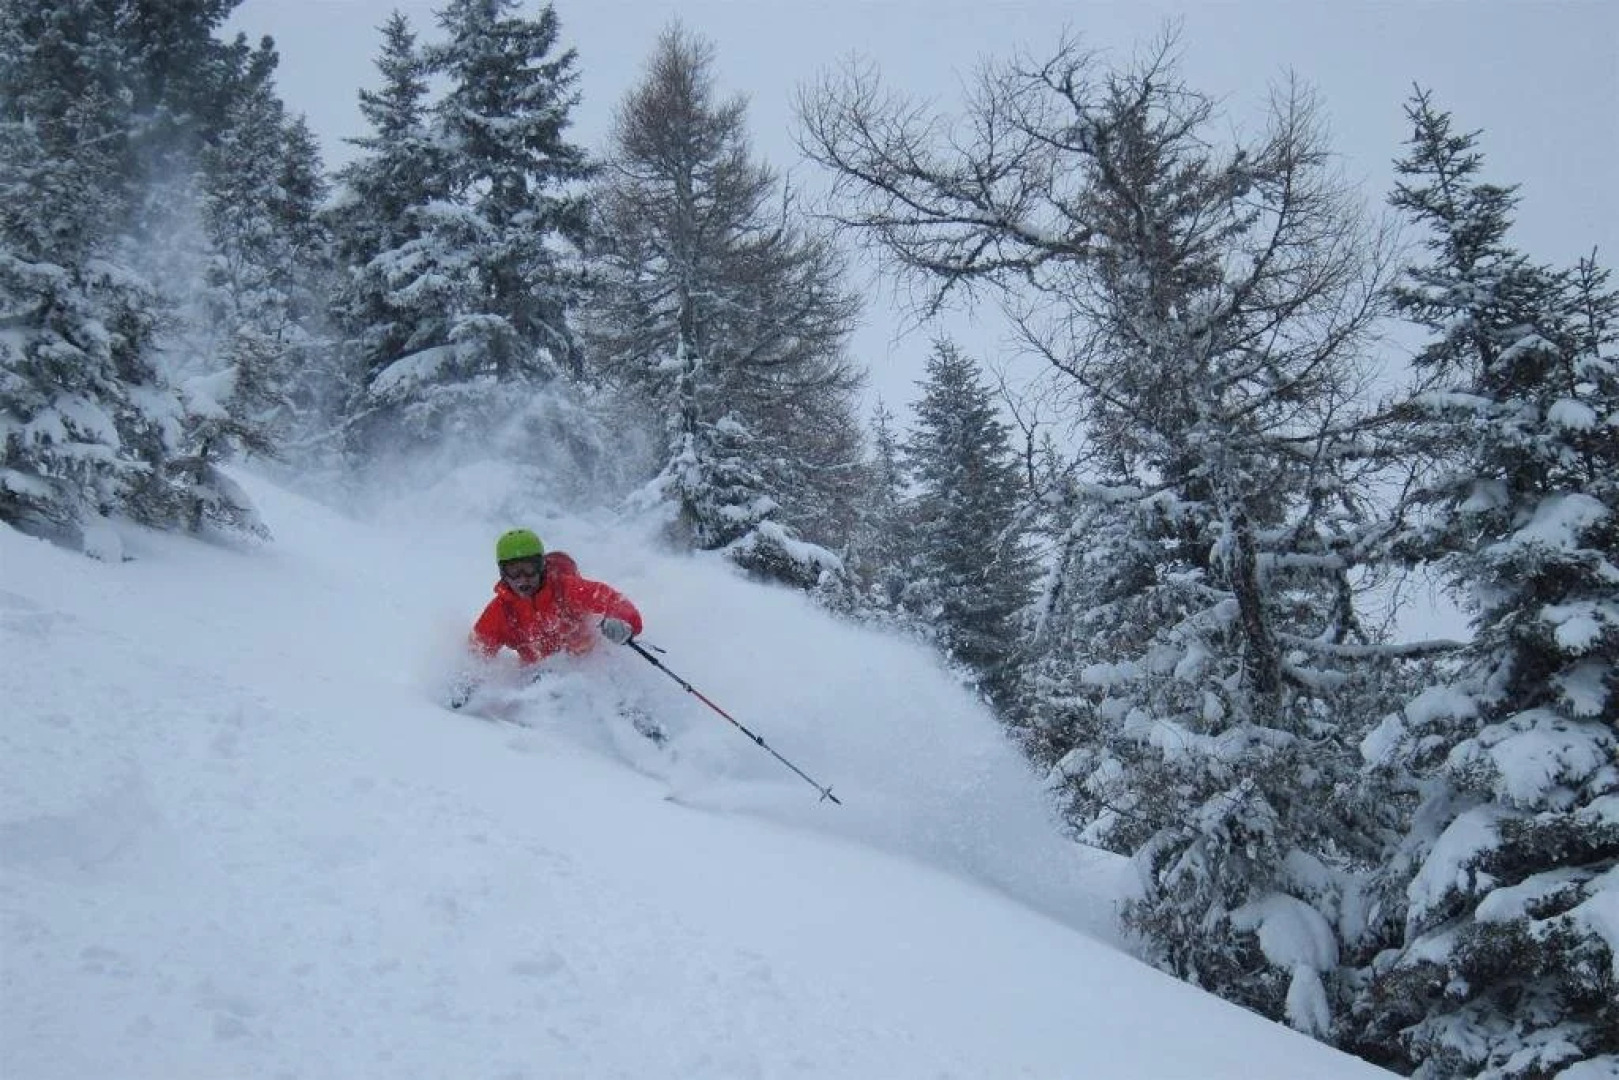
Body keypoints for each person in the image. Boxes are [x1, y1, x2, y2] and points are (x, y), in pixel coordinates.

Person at [449, 528, 643, 708]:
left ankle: (637, 725)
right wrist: (467, 682)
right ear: (502, 573)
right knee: (544, 687)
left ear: (541, 565)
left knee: (610, 680)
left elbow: (617, 603)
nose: (522, 579)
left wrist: (624, 625)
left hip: (590, 664)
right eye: (513, 571)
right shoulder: (500, 612)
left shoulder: (568, 589)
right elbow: (477, 652)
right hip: (540, 678)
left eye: (529, 569)